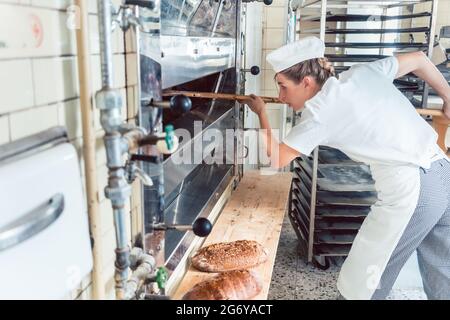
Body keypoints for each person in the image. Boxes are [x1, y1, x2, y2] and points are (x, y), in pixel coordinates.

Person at [244, 36, 450, 300]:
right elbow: (420, 60)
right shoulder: (362, 73)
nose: (281, 97)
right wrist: (447, 97)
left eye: (283, 87)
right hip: (443, 171)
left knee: (364, 281)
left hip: (413, 190)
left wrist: (260, 112)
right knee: (443, 272)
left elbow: (277, 159)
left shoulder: (320, 112)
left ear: (306, 82)